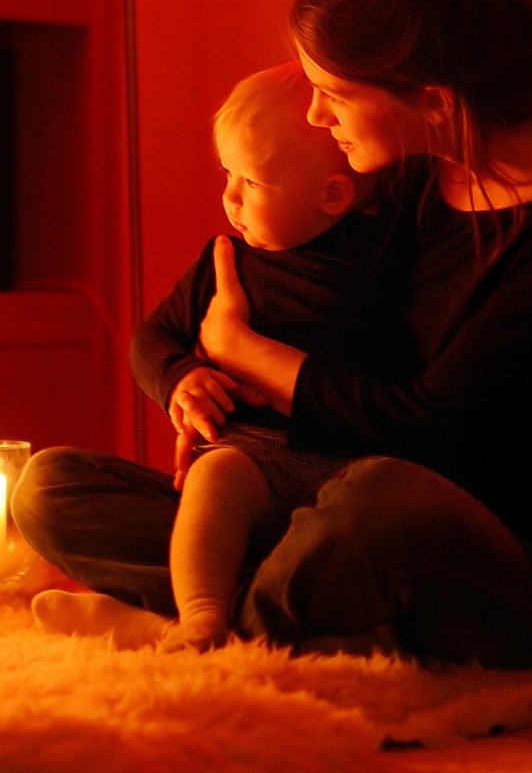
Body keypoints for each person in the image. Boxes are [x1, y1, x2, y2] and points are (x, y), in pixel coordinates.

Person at [13, 0, 532, 670]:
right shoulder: (418, 168)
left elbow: (427, 434)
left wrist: (243, 352)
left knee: (380, 501)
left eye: (333, 93)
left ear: (431, 94)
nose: (318, 116)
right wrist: (197, 387)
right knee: (54, 488)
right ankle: (260, 616)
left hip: (513, 567)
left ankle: (203, 639)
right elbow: (300, 293)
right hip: (334, 495)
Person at [120, 61, 403, 651]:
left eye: (250, 183)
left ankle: (177, 615)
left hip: (349, 470)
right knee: (54, 487)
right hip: (251, 460)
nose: (229, 198)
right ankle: (202, 614)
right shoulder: (226, 260)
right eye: (227, 175)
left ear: (332, 194)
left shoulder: (388, 259)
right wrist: (181, 377)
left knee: (372, 514)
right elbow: (152, 338)